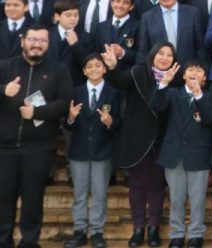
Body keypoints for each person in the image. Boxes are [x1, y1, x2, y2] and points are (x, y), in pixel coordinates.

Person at [0, 25, 74, 248]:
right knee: (3, 201)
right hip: (4, 148)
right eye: (32, 39)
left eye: (42, 40)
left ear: (48, 44)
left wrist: (37, 113)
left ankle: (29, 242)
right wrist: (2, 90)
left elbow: (64, 103)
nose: (36, 44)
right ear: (23, 41)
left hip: (39, 147)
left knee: (33, 201)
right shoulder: (5, 66)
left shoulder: (59, 70)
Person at [102, 41, 177, 248]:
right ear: (152, 55)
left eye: (169, 55)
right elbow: (118, 82)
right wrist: (112, 66)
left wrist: (166, 85)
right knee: (137, 185)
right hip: (136, 136)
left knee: (156, 185)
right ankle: (138, 229)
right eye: (160, 53)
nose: (164, 58)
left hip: (162, 139)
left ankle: (153, 228)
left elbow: (163, 106)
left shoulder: (176, 78)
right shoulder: (137, 72)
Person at [150, 60, 212, 248]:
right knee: (177, 198)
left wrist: (198, 96)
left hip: (198, 155)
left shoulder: (210, 97)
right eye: (190, 69)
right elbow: (156, 105)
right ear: (184, 75)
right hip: (175, 155)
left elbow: (211, 120)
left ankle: (196, 234)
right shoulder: (172, 94)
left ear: (204, 78)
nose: (194, 72)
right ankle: (177, 234)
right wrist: (163, 83)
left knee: (197, 199)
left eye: (199, 70)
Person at [63, 53, 121, 248]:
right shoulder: (76, 91)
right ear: (84, 71)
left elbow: (118, 123)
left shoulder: (113, 93)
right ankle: (79, 230)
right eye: (90, 66)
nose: (94, 69)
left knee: (99, 192)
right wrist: (70, 118)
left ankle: (97, 231)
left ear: (105, 69)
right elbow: (68, 125)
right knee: (79, 193)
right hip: (79, 151)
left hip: (102, 151)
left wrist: (109, 121)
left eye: (98, 65)